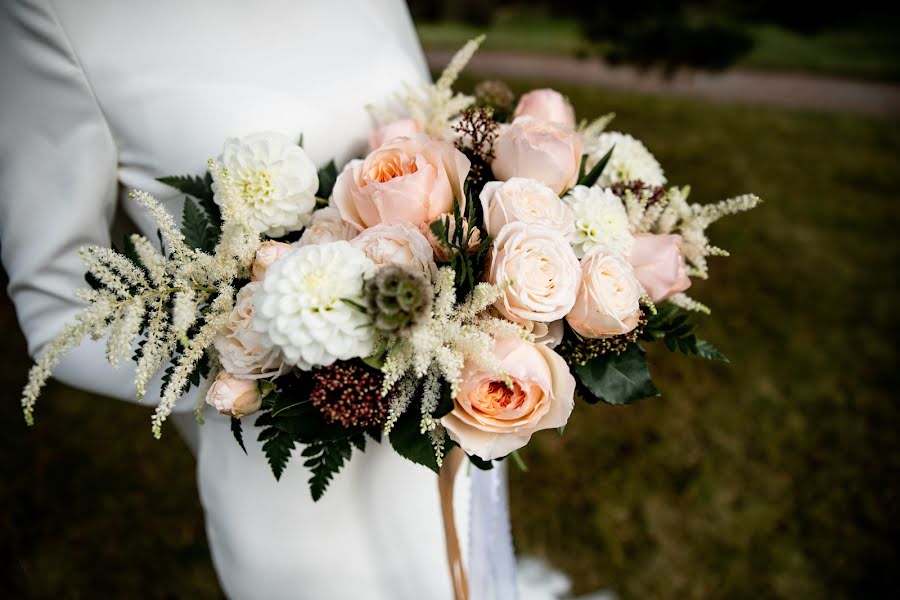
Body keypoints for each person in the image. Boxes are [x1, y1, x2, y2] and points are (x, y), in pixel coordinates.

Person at [0, 1, 454, 598]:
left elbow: (437, 144)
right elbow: (54, 303)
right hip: (290, 470)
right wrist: (259, 358)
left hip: (448, 409)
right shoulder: (54, 15)